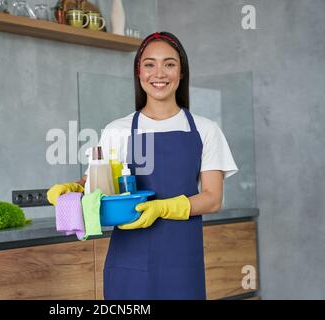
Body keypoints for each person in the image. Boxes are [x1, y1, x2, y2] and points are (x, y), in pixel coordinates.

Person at [47, 31, 238, 300]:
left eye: (169, 64)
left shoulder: (206, 130)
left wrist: (164, 207)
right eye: (149, 64)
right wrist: (72, 189)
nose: (158, 73)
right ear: (139, 72)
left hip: (182, 262)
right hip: (129, 261)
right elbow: (99, 183)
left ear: (181, 72)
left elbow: (213, 198)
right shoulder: (118, 130)